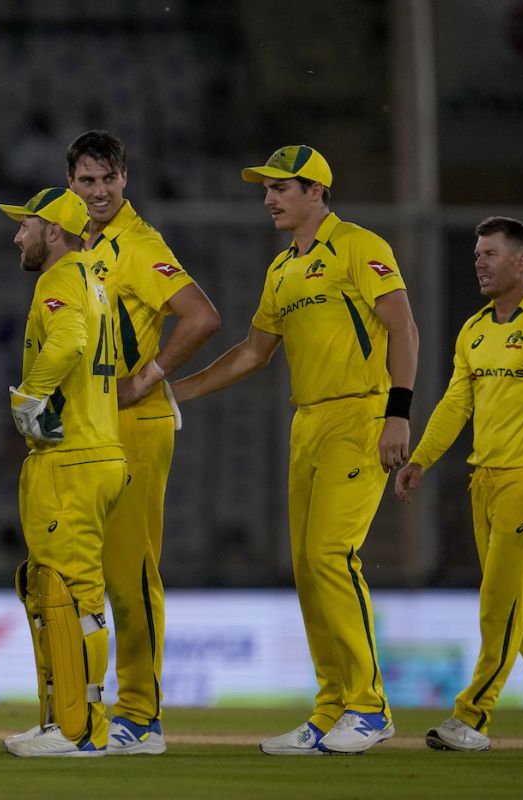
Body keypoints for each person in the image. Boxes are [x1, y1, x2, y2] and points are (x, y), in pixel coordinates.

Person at [171, 145, 419, 755]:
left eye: (280, 188)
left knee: (332, 556)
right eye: (265, 189)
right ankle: (333, 707)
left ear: (316, 191)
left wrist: (398, 414)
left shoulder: (361, 247)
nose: (268, 198)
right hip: (307, 423)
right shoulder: (281, 269)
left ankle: (369, 706)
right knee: (310, 569)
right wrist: (173, 392)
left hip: (361, 414)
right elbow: (254, 354)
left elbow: (403, 329)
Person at [396, 217, 523, 751]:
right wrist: (421, 458)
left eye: (490, 254)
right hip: (484, 480)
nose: (479, 263)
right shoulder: (475, 329)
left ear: (522, 263)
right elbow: (455, 402)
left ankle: (473, 717)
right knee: (522, 601)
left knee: (498, 604)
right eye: (477, 254)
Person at [66, 130, 221, 754]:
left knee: (129, 571)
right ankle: (88, 708)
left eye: (107, 180)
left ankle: (141, 714)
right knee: (91, 571)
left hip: (134, 424)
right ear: (71, 185)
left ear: (125, 178)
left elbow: (203, 316)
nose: (98, 192)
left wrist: (148, 378)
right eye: (86, 181)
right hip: (93, 424)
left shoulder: (139, 243)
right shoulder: (82, 244)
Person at [0, 188, 125, 757]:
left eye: (26, 227)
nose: (17, 236)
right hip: (95, 450)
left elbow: (70, 342)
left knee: (72, 596)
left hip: (70, 458)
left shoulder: (57, 281)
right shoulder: (94, 280)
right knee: (65, 593)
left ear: (52, 229)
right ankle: (64, 718)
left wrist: (29, 396)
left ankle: (80, 729)